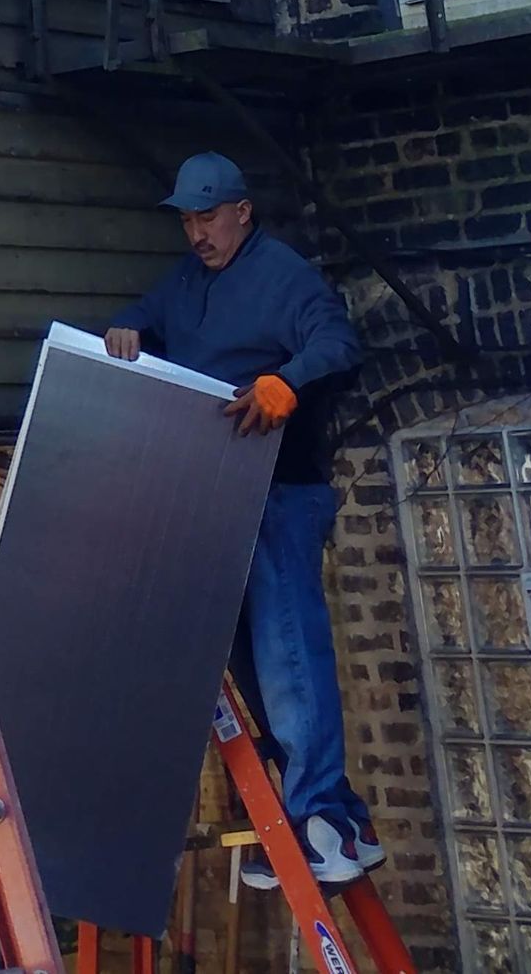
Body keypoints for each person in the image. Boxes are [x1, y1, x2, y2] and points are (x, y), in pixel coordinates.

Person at [104, 150, 382, 893]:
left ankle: (320, 814)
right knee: (251, 666)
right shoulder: (189, 282)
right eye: (188, 219)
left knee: (291, 659)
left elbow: (339, 343)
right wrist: (127, 330)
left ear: (242, 213)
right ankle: (335, 821)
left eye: (209, 216)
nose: (197, 232)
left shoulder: (284, 275)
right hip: (216, 497)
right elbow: (142, 313)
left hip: (281, 493)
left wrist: (285, 382)